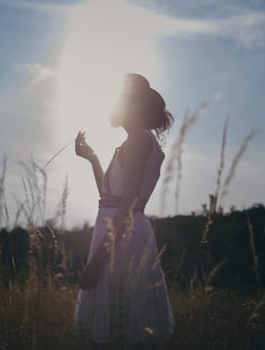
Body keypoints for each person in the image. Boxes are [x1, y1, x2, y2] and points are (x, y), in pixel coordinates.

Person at [73, 73, 175, 348]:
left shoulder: (140, 141)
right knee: (119, 320)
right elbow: (109, 197)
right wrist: (93, 159)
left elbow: (128, 203)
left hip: (123, 238)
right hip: (118, 231)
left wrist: (97, 262)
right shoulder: (135, 141)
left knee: (123, 320)